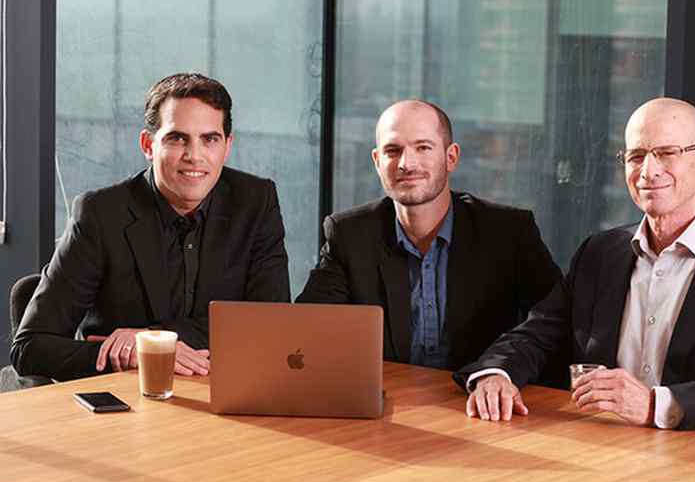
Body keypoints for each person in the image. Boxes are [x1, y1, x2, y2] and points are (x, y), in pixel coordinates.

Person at [456, 97, 695, 431]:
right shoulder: (599, 253)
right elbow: (537, 334)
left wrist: (658, 405)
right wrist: (496, 374)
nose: (648, 171)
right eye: (636, 155)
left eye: (667, 153)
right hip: (599, 449)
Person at [12, 73, 290, 381]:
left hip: (223, 391)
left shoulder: (255, 202)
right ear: (148, 144)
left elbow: (271, 325)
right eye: (177, 138)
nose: (194, 156)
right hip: (127, 396)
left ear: (227, 146)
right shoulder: (100, 214)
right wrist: (133, 356)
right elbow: (29, 349)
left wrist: (151, 341)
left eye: (209, 139)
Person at [297, 100, 562, 373]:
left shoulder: (508, 233)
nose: (406, 164)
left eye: (423, 147)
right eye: (393, 150)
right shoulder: (350, 235)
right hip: (391, 395)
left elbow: (552, 321)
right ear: (377, 161)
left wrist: (499, 371)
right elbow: (305, 328)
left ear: (451, 157)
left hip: (477, 393)